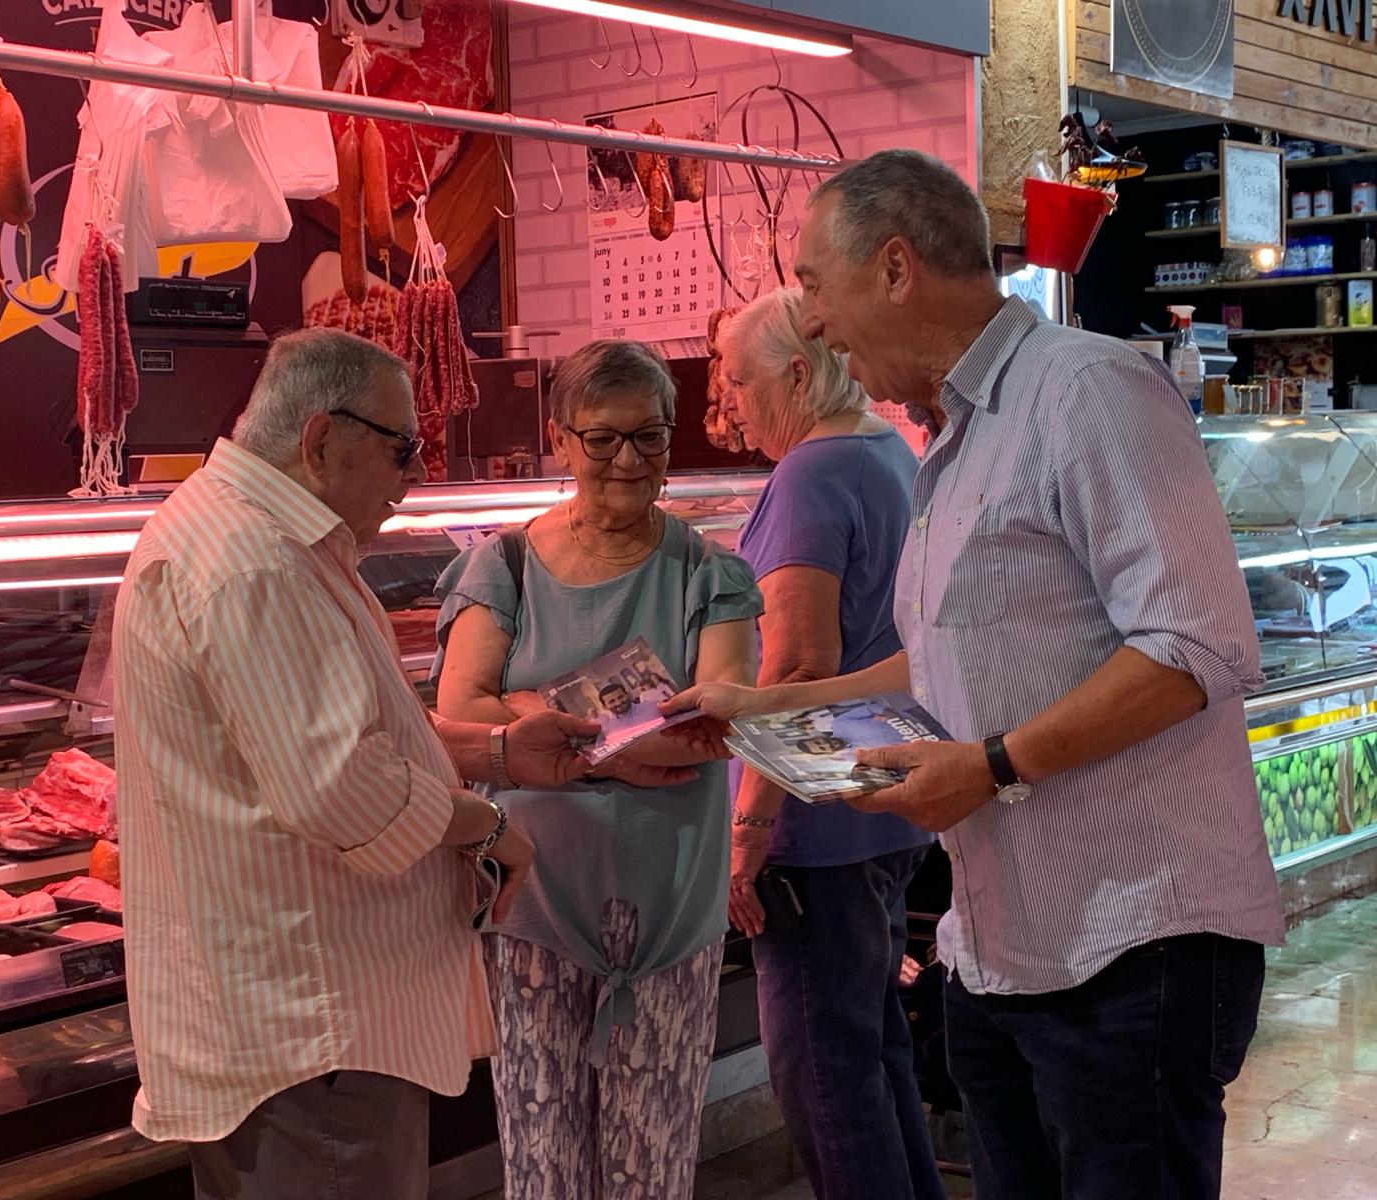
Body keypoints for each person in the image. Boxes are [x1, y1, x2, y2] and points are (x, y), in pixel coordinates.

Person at [670, 150, 1285, 1200]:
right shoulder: (951, 440)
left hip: (1130, 945)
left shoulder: (1086, 390)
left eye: (815, 287)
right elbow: (947, 654)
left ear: (897, 268)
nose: (811, 326)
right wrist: (755, 708)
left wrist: (991, 767)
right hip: (999, 950)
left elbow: (1192, 648)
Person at [113, 329, 612, 1200]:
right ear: (319, 439)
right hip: (313, 1039)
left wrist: (489, 749)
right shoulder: (252, 562)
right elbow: (338, 786)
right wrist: (488, 824)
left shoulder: (261, 535)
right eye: (401, 447)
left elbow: (314, 737)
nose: (413, 474)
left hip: (309, 1032)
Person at [432, 339, 761, 1200]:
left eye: (648, 438)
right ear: (561, 440)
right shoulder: (500, 566)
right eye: (602, 438)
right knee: (544, 1167)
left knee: (649, 1170)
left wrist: (537, 721)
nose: (627, 461)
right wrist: (622, 745)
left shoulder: (711, 573)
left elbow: (717, 726)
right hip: (533, 907)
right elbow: (458, 713)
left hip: (668, 915)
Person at [717, 286, 942, 1200]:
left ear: (798, 374)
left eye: (737, 381)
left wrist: (748, 830)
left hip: (818, 830)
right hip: (886, 804)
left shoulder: (810, 474)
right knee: (873, 1048)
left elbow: (799, 663)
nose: (729, 401)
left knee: (823, 1075)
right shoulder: (890, 449)